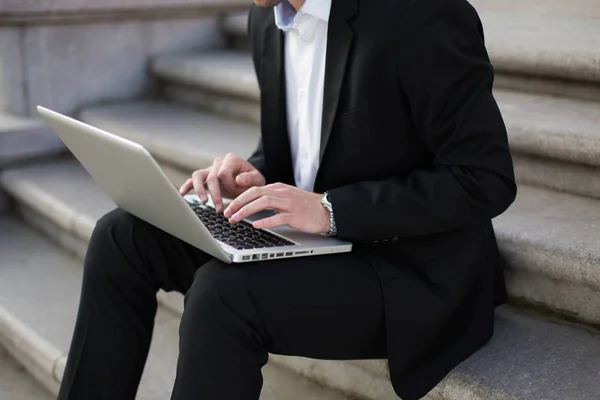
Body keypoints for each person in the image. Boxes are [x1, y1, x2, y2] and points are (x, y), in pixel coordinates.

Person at [57, 0, 517, 399]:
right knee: (121, 237)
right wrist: (255, 177)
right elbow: (307, 154)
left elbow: (484, 177)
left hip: (408, 268)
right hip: (320, 243)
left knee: (222, 296)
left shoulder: (420, 13)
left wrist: (331, 209)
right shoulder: (268, 19)